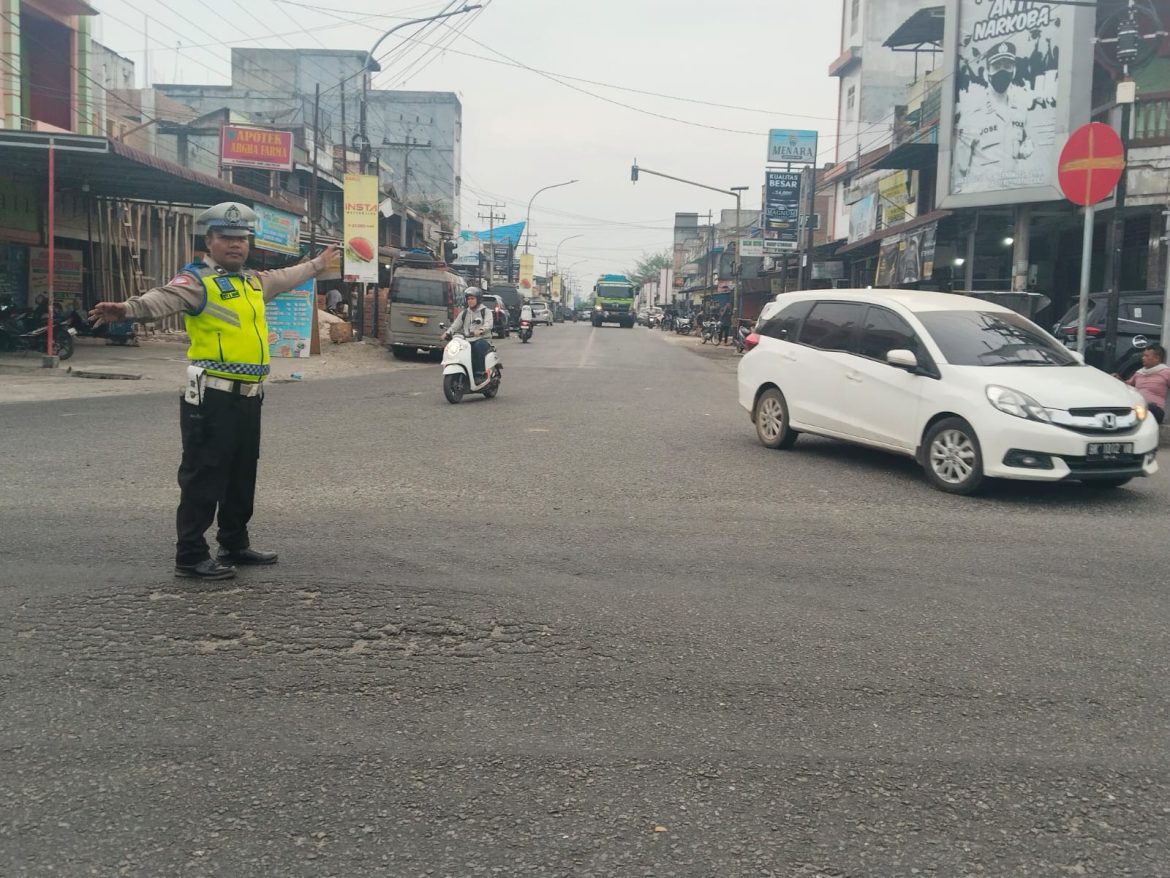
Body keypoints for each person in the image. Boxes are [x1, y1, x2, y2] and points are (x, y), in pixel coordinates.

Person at [89, 202, 340, 581]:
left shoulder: (253, 281)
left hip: (249, 395)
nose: (236, 245)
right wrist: (127, 309)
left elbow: (289, 275)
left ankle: (234, 542)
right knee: (204, 474)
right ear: (209, 240)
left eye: (242, 238)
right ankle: (190, 556)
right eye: (226, 237)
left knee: (241, 472)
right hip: (211, 396)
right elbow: (162, 299)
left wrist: (318, 264)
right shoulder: (195, 281)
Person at [444, 286, 493, 377]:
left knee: (478, 346)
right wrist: (448, 332)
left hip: (483, 339)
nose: (470, 301)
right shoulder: (464, 313)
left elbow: (488, 324)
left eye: (472, 298)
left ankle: (480, 373)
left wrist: (481, 330)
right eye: (468, 299)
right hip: (467, 340)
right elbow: (455, 325)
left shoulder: (486, 311)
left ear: (478, 299)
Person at [1120, 344, 1170, 424]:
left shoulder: (1166, 372)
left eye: (1146, 356)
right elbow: (1127, 385)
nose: (1143, 358)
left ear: (1157, 358)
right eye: (1143, 356)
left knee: (1148, 409)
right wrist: (1117, 379)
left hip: (1155, 409)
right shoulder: (1139, 373)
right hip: (1138, 407)